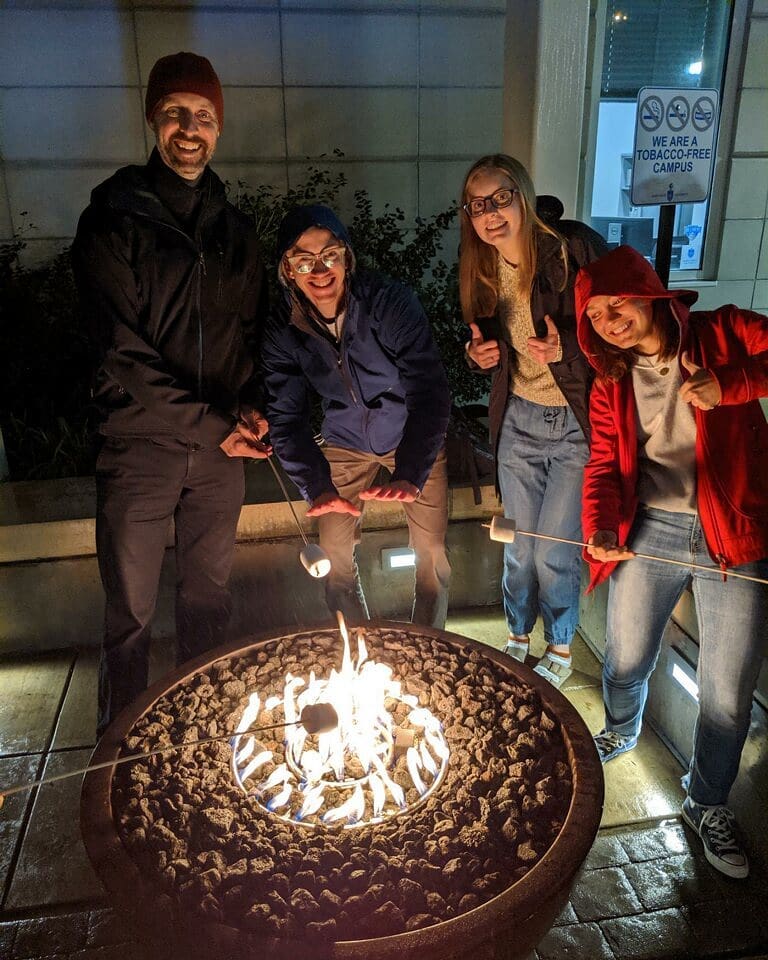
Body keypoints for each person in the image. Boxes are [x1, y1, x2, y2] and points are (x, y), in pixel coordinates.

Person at [73, 52, 270, 736]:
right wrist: (209, 421)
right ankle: (119, 749)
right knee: (130, 613)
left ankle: (205, 729)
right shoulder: (111, 219)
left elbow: (248, 337)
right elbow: (118, 351)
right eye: (176, 114)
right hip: (140, 446)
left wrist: (250, 404)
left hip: (219, 453)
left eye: (205, 117)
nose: (190, 130)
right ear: (153, 120)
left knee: (209, 600)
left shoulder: (234, 232)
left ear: (220, 128)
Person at [576, 243, 768, 879]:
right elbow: (604, 464)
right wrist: (602, 525)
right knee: (625, 655)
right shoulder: (610, 381)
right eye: (595, 316)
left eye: (616, 303)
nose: (609, 320)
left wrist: (732, 384)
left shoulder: (721, 332)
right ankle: (623, 728)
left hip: (729, 535)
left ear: (648, 291)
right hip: (650, 528)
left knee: (729, 691)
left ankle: (705, 802)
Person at [262, 204, 451, 627]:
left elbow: (430, 389)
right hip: (343, 441)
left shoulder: (388, 303)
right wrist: (316, 486)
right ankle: (357, 643)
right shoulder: (284, 327)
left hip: (410, 434)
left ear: (346, 257)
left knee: (431, 549)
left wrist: (412, 470)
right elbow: (285, 416)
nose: (319, 269)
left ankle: (429, 645)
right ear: (288, 270)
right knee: (333, 551)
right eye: (303, 259)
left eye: (329, 254)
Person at [459, 154, 607, 686]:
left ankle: (561, 644)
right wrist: (478, 354)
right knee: (517, 546)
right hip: (518, 420)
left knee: (554, 551)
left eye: (501, 198)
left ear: (522, 195)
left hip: (572, 424)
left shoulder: (572, 248)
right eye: (479, 205)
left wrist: (566, 348)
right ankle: (518, 634)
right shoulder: (480, 264)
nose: (491, 213)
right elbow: (483, 336)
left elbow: (618, 326)